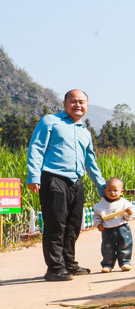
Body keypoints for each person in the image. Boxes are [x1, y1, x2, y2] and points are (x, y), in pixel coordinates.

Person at [26, 89, 106, 281]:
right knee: (56, 224)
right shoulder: (50, 121)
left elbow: (90, 161)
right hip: (53, 179)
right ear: (64, 104)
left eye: (82, 102)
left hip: (76, 182)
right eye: (73, 101)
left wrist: (101, 186)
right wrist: (33, 176)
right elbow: (36, 147)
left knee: (73, 225)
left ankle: (69, 264)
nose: (77, 105)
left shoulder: (84, 132)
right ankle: (54, 268)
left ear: (87, 106)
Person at [94, 177, 135, 272]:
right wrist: (98, 224)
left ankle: (125, 263)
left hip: (122, 228)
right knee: (107, 248)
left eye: (115, 190)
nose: (112, 193)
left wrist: (129, 213)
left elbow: (130, 217)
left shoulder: (124, 203)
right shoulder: (101, 205)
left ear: (121, 192)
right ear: (105, 191)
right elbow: (96, 216)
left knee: (125, 245)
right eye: (109, 190)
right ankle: (108, 264)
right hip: (107, 230)